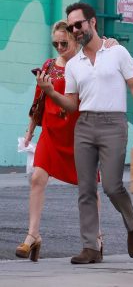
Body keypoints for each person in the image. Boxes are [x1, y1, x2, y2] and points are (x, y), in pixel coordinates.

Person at [36, 2, 133, 265]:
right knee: (86, 188)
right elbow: (71, 103)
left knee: (113, 186)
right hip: (85, 125)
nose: (75, 30)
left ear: (92, 22)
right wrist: (51, 93)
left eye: (78, 24)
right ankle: (91, 247)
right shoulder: (74, 65)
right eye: (71, 27)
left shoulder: (118, 52)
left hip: (114, 124)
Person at [15, 20, 118, 262]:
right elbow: (38, 102)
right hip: (51, 133)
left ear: (75, 40)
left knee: (89, 188)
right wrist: (30, 130)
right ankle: (33, 236)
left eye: (64, 43)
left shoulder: (87, 65)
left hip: (79, 135)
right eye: (55, 43)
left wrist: (111, 44)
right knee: (38, 177)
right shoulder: (49, 66)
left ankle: (96, 238)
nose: (60, 47)